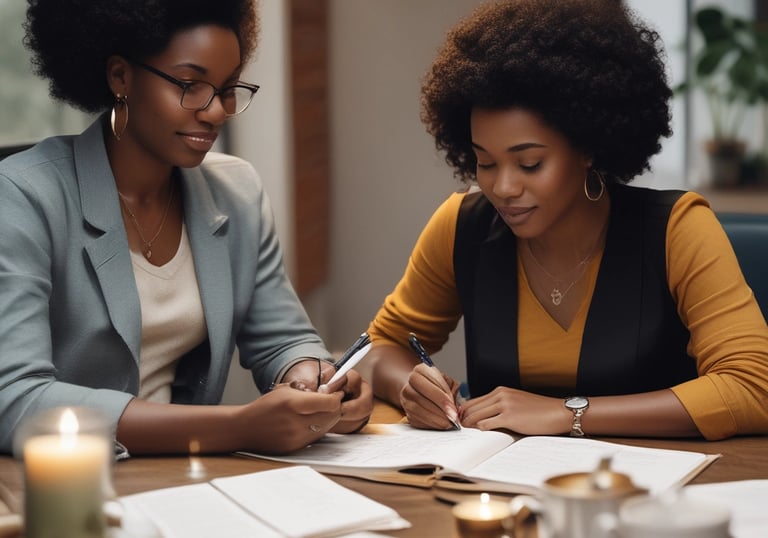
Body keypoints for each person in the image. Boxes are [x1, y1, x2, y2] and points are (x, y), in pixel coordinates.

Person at [366, 0, 768, 441]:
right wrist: (413, 387)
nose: (502, 187)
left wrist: (568, 414)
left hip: (649, 495)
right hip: (501, 493)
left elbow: (753, 387)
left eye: (530, 163)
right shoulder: (462, 226)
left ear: (588, 147)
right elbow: (381, 347)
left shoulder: (677, 228)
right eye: (485, 162)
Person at [0, 0, 372, 456]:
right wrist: (236, 427)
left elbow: (284, 337)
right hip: (66, 487)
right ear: (121, 76)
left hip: (189, 482)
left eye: (228, 88)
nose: (216, 111)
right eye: (191, 85)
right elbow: (16, 399)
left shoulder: (237, 191)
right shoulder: (22, 196)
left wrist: (314, 379)